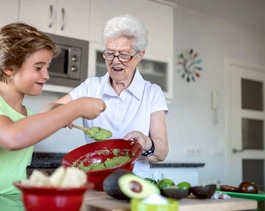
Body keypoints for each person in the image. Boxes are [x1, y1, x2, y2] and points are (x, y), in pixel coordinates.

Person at [0, 22, 105, 195]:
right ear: (8, 67)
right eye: (38, 67)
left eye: (47, 67)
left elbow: (4, 172)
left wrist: (29, 180)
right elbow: (12, 138)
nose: (46, 75)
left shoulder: (28, 116)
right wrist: (76, 107)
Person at [41, 14, 169, 178]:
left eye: (123, 54)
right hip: (95, 179)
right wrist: (64, 112)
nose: (115, 61)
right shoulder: (91, 87)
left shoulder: (152, 92)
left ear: (139, 56)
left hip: (136, 181)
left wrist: (146, 142)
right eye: (110, 53)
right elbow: (46, 110)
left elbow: (162, 152)